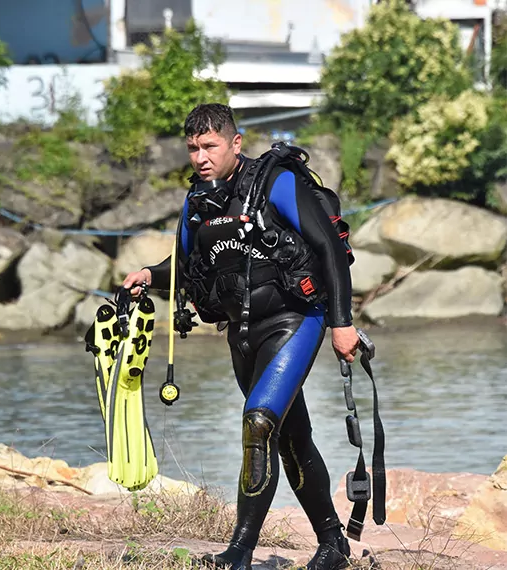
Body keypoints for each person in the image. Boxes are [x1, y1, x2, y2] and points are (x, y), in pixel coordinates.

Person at [123, 103, 359, 570]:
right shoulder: (198, 202)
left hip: (296, 321)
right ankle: (333, 544)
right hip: (242, 335)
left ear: (235, 143)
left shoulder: (277, 181)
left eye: (209, 145)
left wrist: (341, 322)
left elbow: (329, 249)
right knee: (291, 436)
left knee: (258, 423)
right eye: (192, 148)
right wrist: (150, 274)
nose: (200, 157)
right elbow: (188, 270)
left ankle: (240, 551)